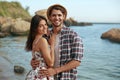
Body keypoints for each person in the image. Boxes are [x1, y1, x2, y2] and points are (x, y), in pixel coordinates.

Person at [31, 4, 84, 80]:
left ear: (64, 17)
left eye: (59, 15)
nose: (57, 18)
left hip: (66, 77)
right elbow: (39, 53)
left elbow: (77, 61)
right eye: (54, 15)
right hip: (46, 77)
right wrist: (33, 61)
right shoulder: (46, 36)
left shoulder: (73, 35)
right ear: (49, 17)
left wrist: (55, 71)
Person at [25, 15, 55, 80]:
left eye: (45, 24)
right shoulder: (42, 40)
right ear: (35, 28)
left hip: (35, 74)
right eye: (41, 26)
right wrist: (52, 45)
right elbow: (50, 63)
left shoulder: (35, 40)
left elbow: (36, 58)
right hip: (42, 75)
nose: (45, 27)